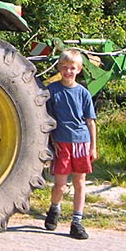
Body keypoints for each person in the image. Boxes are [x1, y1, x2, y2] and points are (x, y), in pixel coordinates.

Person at [43, 48, 98, 239]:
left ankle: (77, 222)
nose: (68, 72)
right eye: (64, 68)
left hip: (81, 142)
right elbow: (46, 119)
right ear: (59, 68)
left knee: (80, 182)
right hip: (62, 143)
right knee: (60, 185)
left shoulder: (83, 93)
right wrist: (52, 140)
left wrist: (93, 146)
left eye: (72, 68)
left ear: (79, 69)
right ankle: (54, 209)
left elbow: (90, 121)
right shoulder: (52, 91)